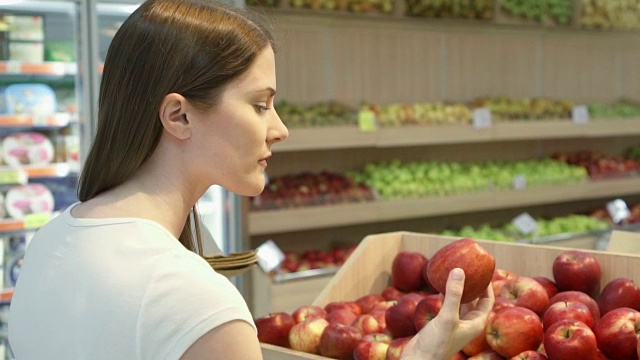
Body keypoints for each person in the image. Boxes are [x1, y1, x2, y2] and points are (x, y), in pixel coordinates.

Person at [7, 0, 494, 359]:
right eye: (260, 104)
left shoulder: (51, 239)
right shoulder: (195, 302)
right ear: (178, 116)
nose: (280, 128)